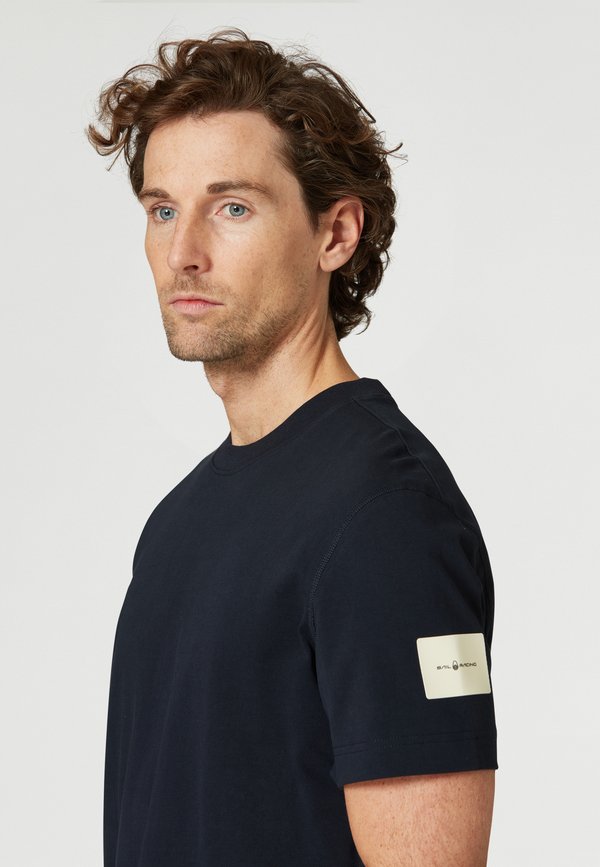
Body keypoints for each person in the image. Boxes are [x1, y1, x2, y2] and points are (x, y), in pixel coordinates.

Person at [87, 27, 498, 867]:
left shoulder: (387, 519)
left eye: (232, 207)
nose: (183, 253)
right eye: (163, 210)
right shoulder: (178, 522)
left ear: (334, 234)